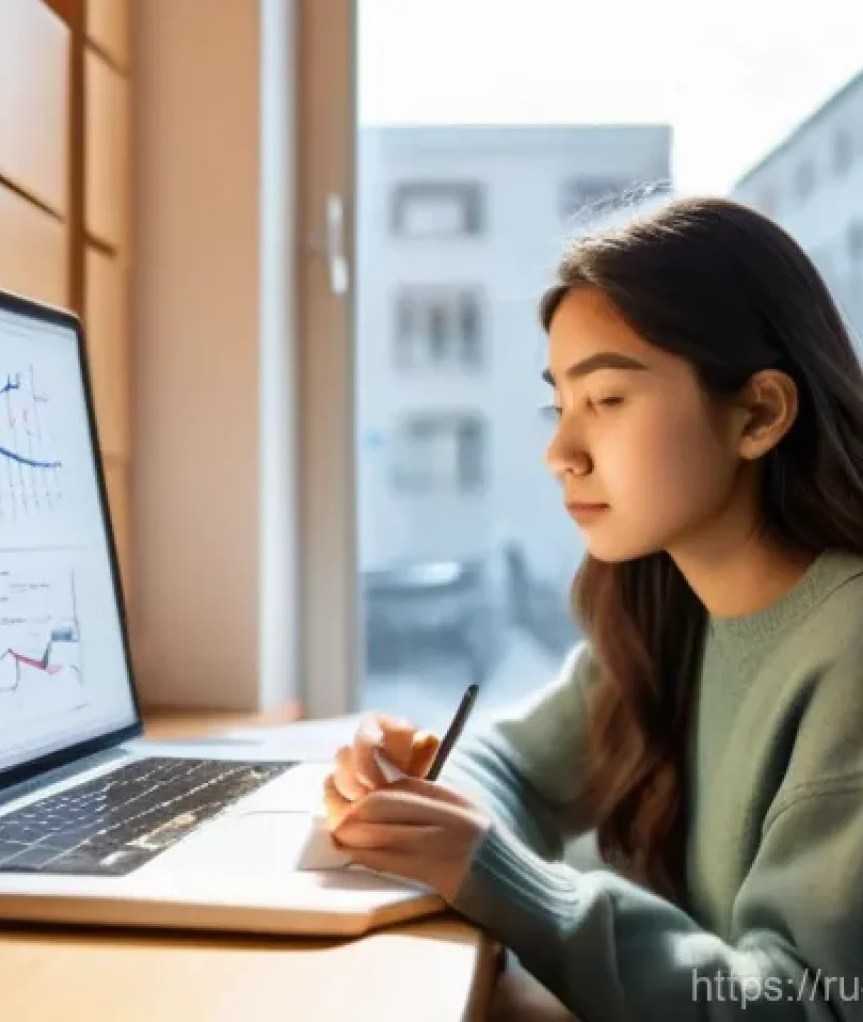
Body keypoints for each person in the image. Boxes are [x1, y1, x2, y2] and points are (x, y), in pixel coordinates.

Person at [323, 196, 863, 1020]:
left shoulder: (847, 656)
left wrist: (506, 878)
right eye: (559, 406)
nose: (559, 454)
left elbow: (806, 1006)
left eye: (606, 400)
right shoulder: (672, 606)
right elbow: (514, 767)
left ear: (758, 414)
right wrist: (421, 785)